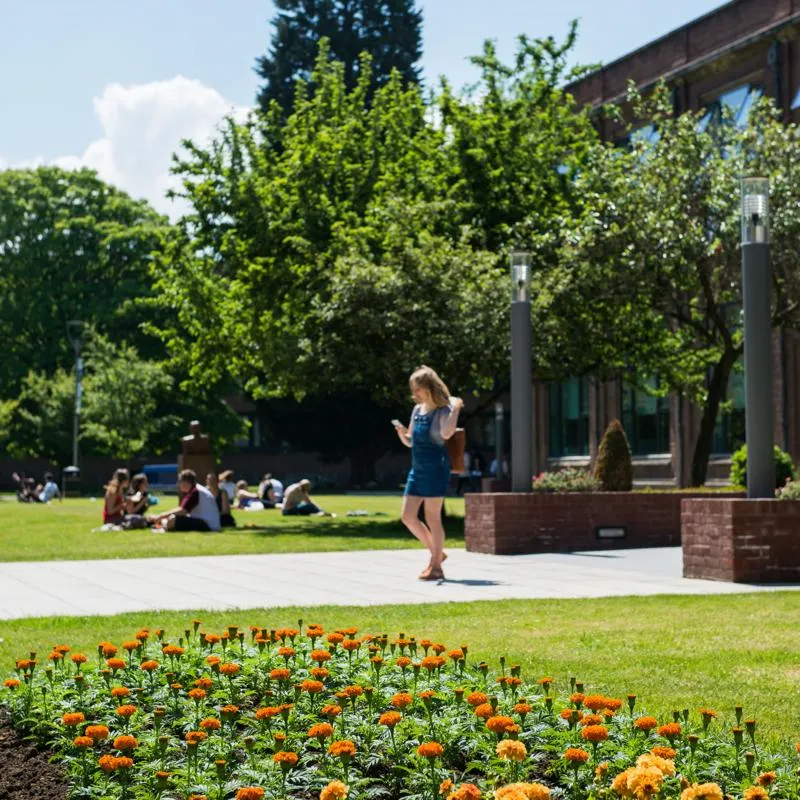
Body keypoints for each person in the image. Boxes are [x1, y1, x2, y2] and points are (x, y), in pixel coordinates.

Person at [394, 365, 462, 581]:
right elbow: (411, 441)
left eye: (418, 389)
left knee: (432, 517)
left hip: (436, 469)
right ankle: (438, 553)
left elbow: (446, 433)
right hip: (418, 469)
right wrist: (402, 434)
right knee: (408, 516)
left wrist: (456, 408)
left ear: (429, 388)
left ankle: (436, 567)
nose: (415, 394)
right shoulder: (417, 410)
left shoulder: (443, 411)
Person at [148, 469, 220, 532]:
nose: (178, 484)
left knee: (172, 520)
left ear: (185, 482)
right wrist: (162, 516)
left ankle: (160, 522)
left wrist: (160, 516)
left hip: (207, 525)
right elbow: (182, 509)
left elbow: (183, 511)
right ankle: (161, 522)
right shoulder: (194, 490)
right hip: (204, 523)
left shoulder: (195, 491)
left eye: (179, 481)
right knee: (171, 519)